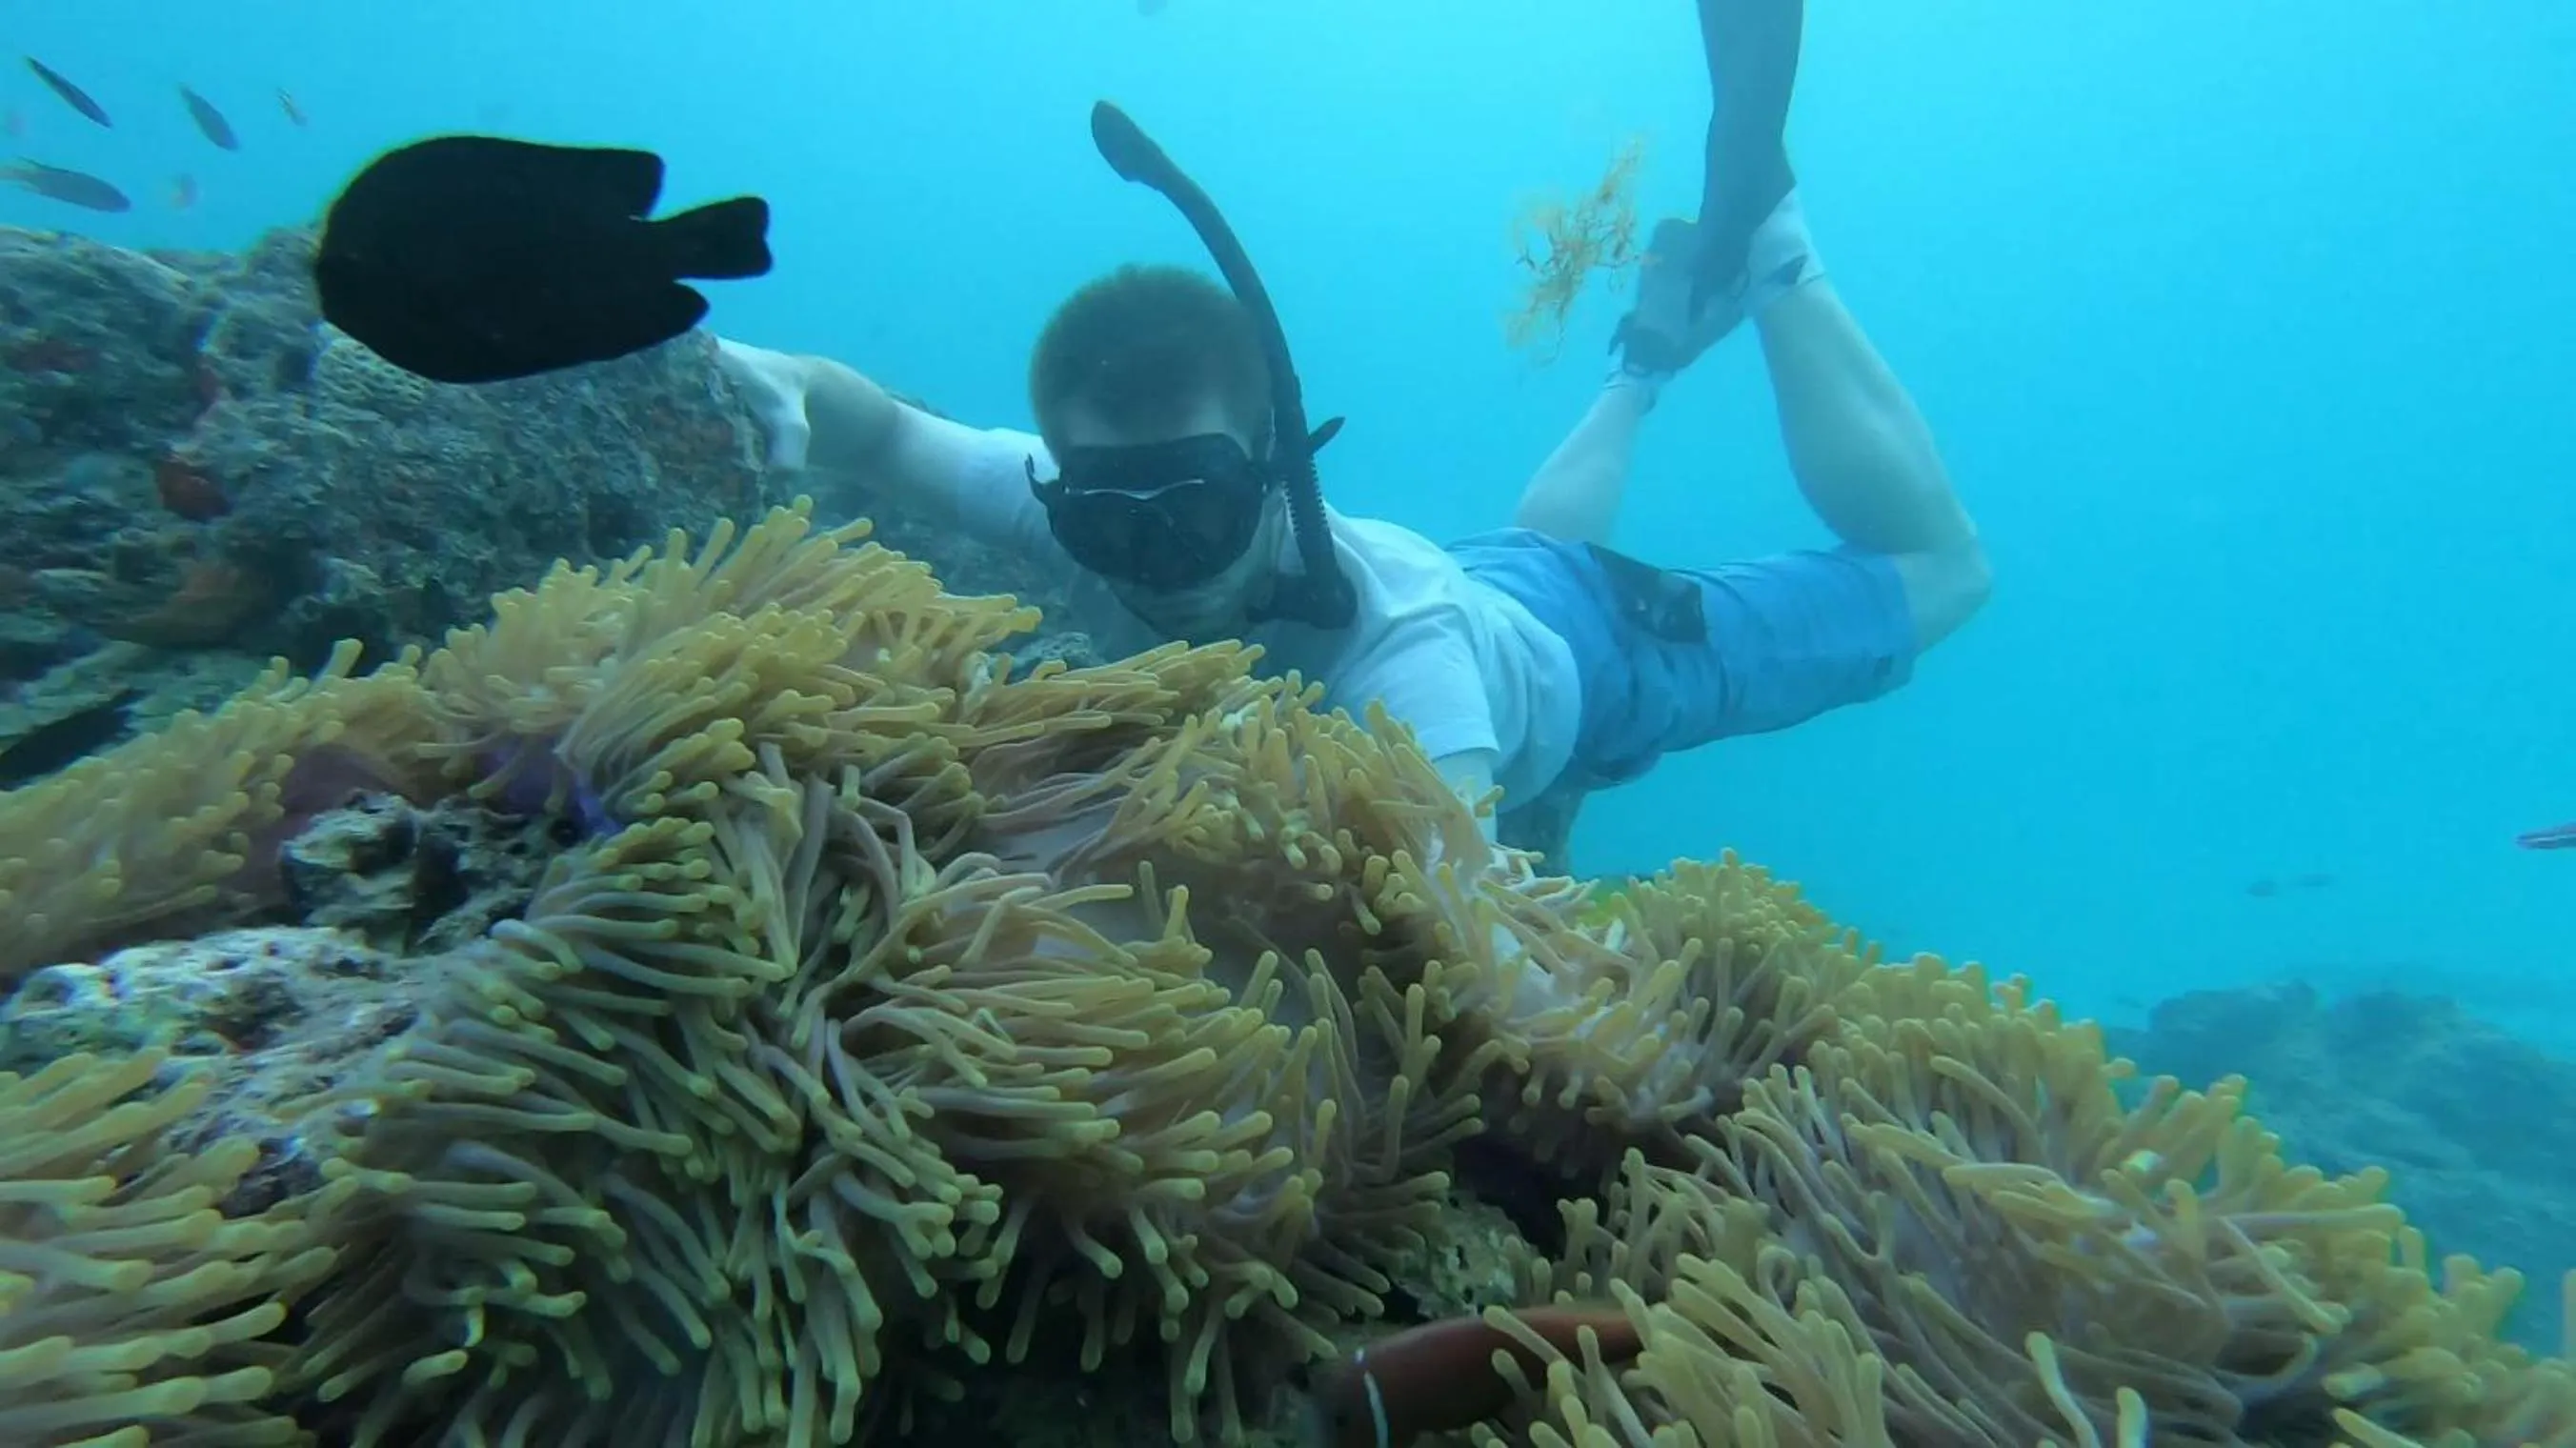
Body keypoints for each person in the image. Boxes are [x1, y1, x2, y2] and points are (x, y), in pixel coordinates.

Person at [714, 2, 1988, 871]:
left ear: (1281, 471)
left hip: (1593, 660)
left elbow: (1465, 934)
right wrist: (757, 378)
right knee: (1522, 551)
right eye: (1107, 523)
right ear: (1059, 496)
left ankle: (1775, 251)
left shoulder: (1405, 667)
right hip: (1489, 583)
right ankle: (1641, 366)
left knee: (1943, 575)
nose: (1154, 563)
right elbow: (872, 427)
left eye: (1194, 513)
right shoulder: (1066, 506)